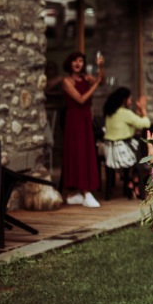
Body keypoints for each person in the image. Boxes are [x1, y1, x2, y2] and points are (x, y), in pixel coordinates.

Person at [61, 51, 105, 208]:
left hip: (86, 119)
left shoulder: (86, 78)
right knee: (77, 153)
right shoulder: (66, 81)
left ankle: (76, 193)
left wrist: (101, 68)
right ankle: (84, 192)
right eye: (74, 61)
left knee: (86, 152)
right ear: (70, 64)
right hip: (74, 120)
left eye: (80, 61)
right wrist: (95, 84)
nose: (78, 64)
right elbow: (80, 99)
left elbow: (103, 82)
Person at [102, 87, 151, 199]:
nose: (131, 101)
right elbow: (146, 123)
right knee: (146, 153)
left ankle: (131, 181)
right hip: (122, 152)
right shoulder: (124, 113)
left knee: (139, 148)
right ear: (124, 100)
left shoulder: (110, 112)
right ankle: (135, 180)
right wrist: (143, 109)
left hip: (110, 153)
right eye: (130, 99)